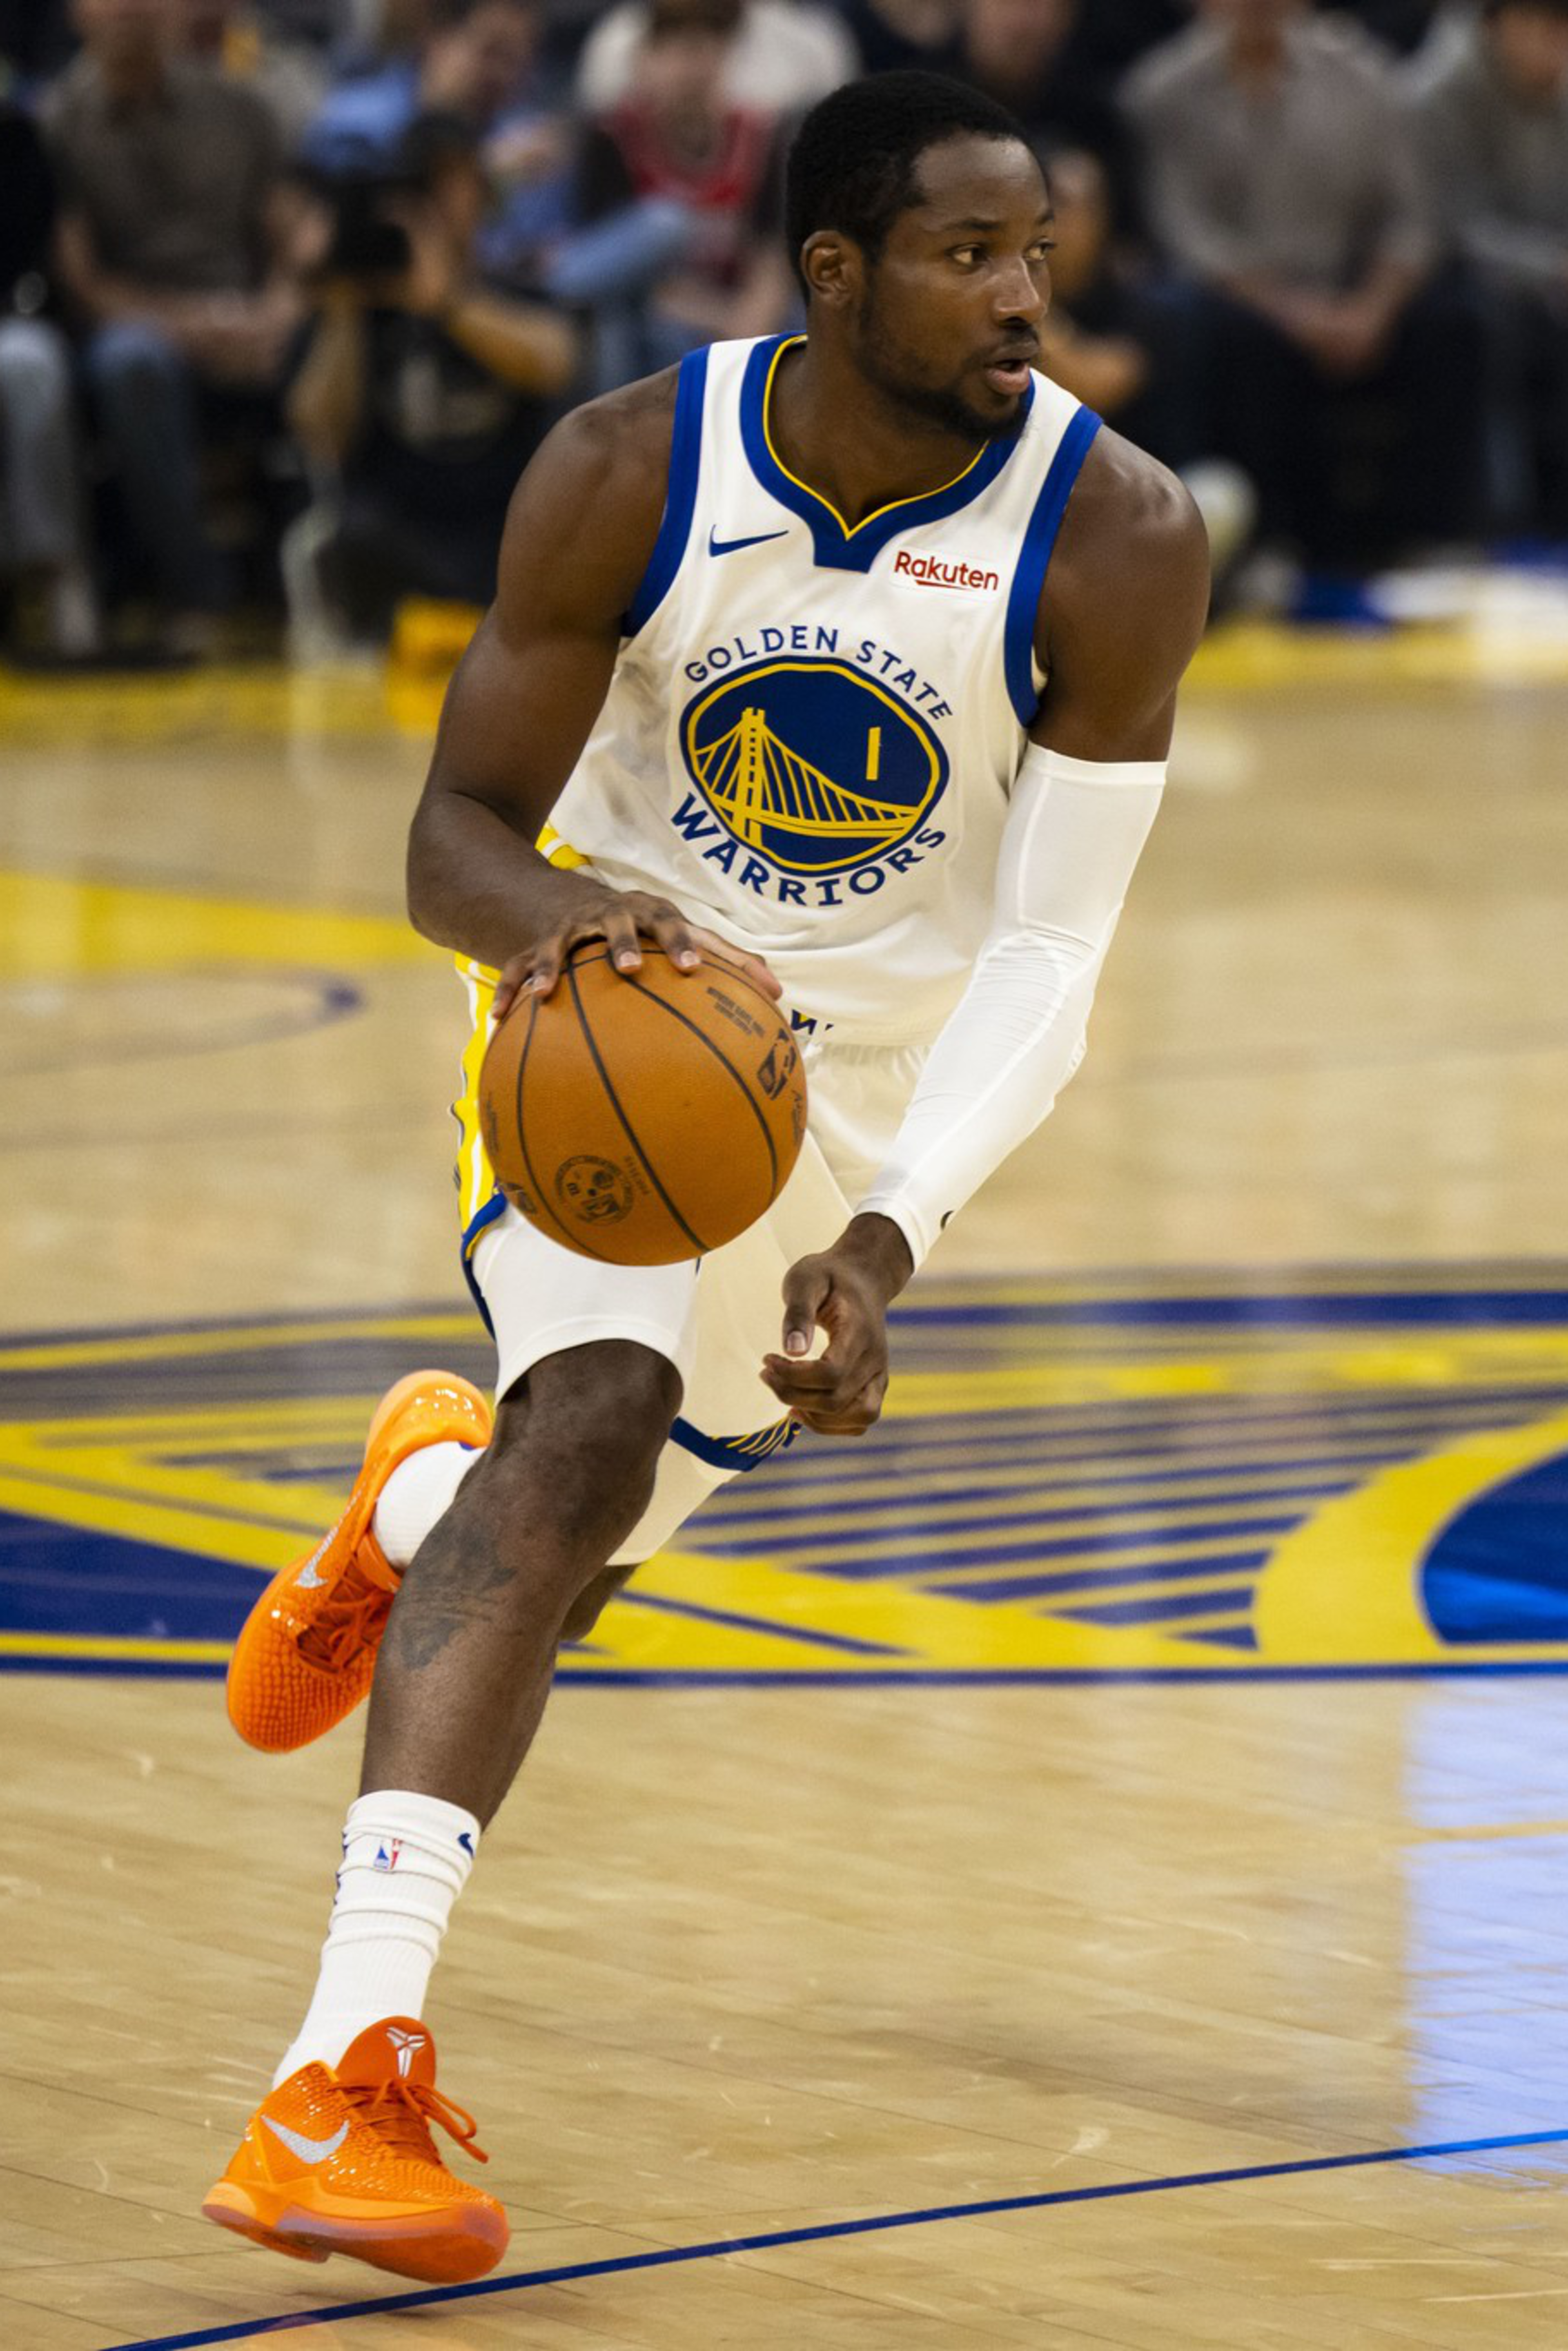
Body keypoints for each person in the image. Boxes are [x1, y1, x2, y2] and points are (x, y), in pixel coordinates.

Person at [204, 67, 1208, 2284]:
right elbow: (451, 838)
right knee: (583, 1425)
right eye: (968, 255)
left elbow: (1053, 955)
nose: (1024, 297)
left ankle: (405, 1512)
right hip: (609, 1025)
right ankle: (339, 2074)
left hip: (851, 1102)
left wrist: (887, 1234)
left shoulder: (1118, 527)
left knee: (559, 1558)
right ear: (834, 272)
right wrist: (574, 928)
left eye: (1038, 252)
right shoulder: (631, 467)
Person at [1122, 0, 1486, 569]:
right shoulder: (1161, 91)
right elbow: (1185, 237)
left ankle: (1434, 539)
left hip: (1351, 289)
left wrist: (1374, 306)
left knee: (1455, 321)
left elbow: (1410, 217)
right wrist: (1292, 311)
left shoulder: (1365, 75)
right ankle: (1267, 545)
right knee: (1220, 332)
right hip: (1240, 298)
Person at [45, 0, 298, 647]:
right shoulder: (56, 125)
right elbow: (82, 283)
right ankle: (197, 590)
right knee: (132, 364)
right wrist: (192, 327)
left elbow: (294, 242)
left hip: (247, 316)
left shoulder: (240, 106)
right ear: (75, 12)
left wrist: (277, 313)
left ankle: (350, 577)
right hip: (132, 324)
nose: (129, 7)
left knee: (332, 335)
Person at [286, 109, 577, 639]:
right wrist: (343, 309)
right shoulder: (361, 307)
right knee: (353, 538)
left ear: (484, 194)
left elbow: (556, 365)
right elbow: (319, 432)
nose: (440, 205)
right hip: (399, 536)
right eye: (425, 186)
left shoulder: (513, 289)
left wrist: (449, 305)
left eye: (454, 183)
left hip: (506, 532)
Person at [1403, 0, 1568, 534]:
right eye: (1541, 25)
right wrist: (1551, 266)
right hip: (1457, 275)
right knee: (1483, 326)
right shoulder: (1437, 91)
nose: (1555, 43)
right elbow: (1450, 225)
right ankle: (1502, 517)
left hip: (1549, 270)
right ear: (1495, 24)